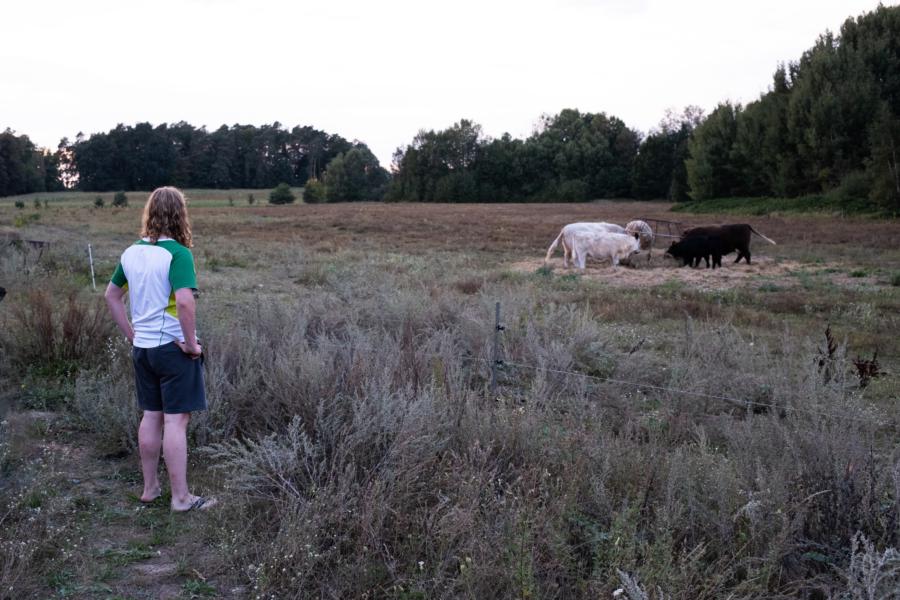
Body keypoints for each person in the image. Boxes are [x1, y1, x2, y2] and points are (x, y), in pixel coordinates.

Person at [104, 186, 216, 512]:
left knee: (151, 416)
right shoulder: (178, 253)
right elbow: (184, 301)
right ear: (180, 214)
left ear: (150, 212)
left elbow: (111, 296)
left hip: (143, 349)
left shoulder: (131, 252)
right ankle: (181, 499)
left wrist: (131, 334)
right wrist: (192, 345)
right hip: (171, 348)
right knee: (176, 421)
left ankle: (151, 489)